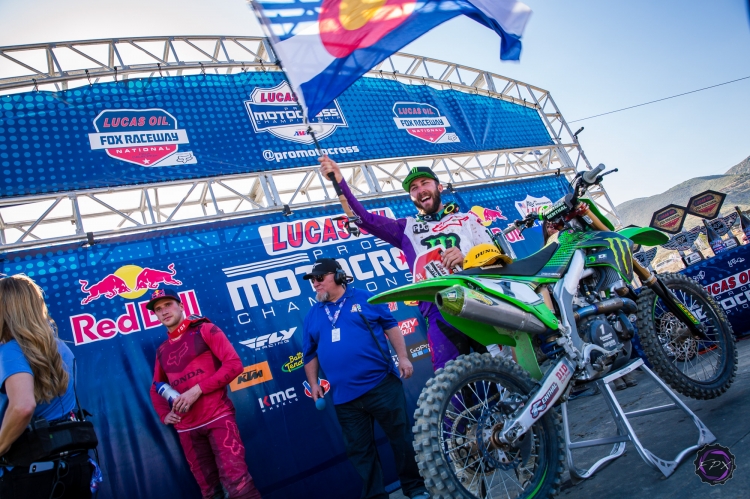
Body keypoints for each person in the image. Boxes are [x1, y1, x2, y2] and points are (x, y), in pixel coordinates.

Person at [320, 157, 501, 370]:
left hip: (478, 299)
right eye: (414, 188)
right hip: (439, 307)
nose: (420, 189)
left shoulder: (468, 219)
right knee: (450, 379)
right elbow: (364, 219)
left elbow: (496, 260)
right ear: (412, 197)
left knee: (502, 365)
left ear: (439, 187)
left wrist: (467, 259)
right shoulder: (407, 227)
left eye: (425, 183)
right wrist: (340, 182)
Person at [302, 258, 429, 499]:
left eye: (320, 278)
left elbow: (391, 325)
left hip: (381, 386)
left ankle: (415, 487)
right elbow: (309, 353)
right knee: (360, 452)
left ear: (338, 276)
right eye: (312, 280)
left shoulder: (364, 298)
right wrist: (313, 382)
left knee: (401, 440)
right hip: (345, 399)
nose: (315, 284)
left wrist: (403, 357)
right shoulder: (312, 315)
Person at [147, 288, 262, 499]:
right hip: (187, 430)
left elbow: (234, 365)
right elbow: (156, 386)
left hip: (218, 419)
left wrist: (197, 390)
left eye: (168, 305)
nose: (163, 311)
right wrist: (164, 414)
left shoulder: (205, 329)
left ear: (181, 306)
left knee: (239, 486)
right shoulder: (162, 349)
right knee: (210, 492)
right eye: (158, 309)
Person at [0, 274, 95, 498]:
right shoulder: (61, 347)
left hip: (29, 472)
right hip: (74, 463)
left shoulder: (10, 352)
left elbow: (23, 406)